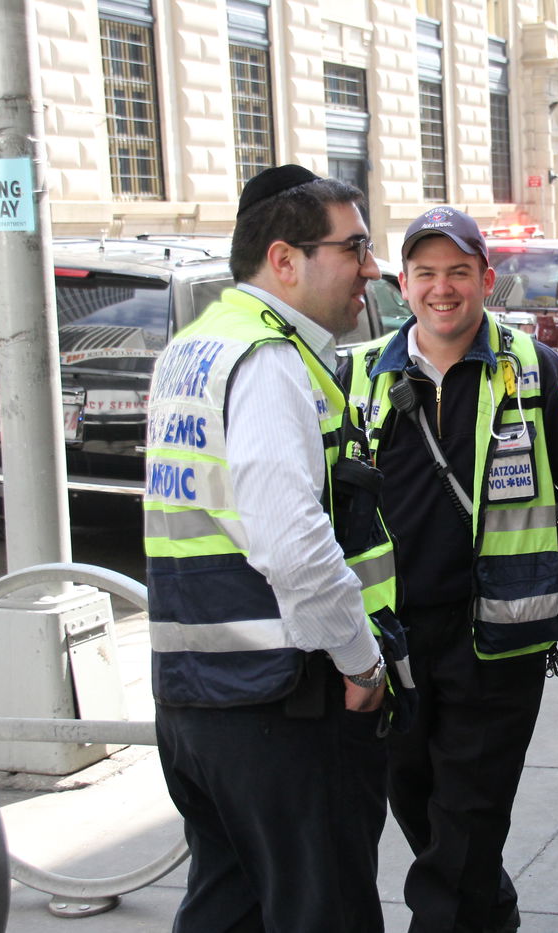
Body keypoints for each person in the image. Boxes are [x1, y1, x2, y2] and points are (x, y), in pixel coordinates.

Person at [342, 206, 558, 932]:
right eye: (426, 272)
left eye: (458, 271)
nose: (442, 288)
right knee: (434, 823)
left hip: (498, 650)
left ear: (487, 279)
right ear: (404, 283)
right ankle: (494, 919)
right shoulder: (360, 376)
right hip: (393, 650)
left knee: (460, 829)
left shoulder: (537, 370)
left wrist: (543, 591)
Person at [144, 164, 396, 933]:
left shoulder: (196, 348)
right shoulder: (268, 361)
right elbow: (292, 545)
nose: (372, 268)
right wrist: (362, 660)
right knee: (323, 913)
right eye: (354, 247)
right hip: (283, 705)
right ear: (285, 260)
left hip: (195, 704)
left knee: (229, 908)